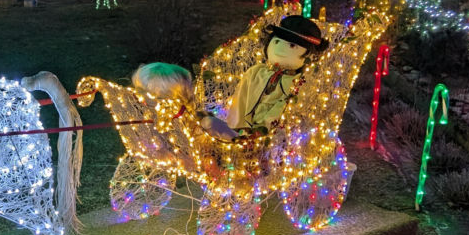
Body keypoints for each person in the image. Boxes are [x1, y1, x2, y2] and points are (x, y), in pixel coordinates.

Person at [132, 13, 329, 143]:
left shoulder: (296, 84)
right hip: (238, 126)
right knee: (202, 123)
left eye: (292, 46)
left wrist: (260, 130)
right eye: (276, 41)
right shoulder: (257, 71)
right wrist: (235, 124)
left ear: (308, 54)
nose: (278, 48)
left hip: (266, 136)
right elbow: (240, 98)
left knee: (209, 127)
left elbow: (282, 110)